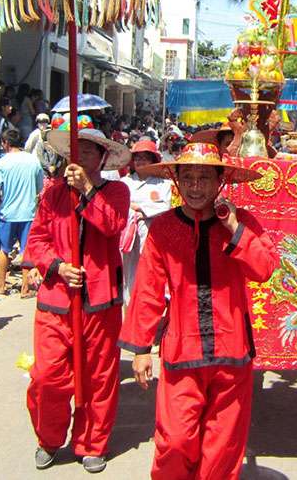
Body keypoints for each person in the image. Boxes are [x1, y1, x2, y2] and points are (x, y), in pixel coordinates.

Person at [119, 142, 277, 480]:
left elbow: (264, 269)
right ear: (176, 182)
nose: (195, 186)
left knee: (222, 450)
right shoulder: (163, 229)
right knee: (175, 443)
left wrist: (234, 228)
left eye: (204, 178)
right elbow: (148, 291)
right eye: (187, 177)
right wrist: (142, 350)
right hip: (181, 351)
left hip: (232, 353)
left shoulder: (242, 222)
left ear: (219, 181)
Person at [24, 128, 130, 474]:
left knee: (99, 378)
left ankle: (92, 442)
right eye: (75, 152)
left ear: (102, 158)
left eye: (88, 153)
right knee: (47, 377)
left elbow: (112, 225)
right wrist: (56, 266)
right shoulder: (53, 193)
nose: (80, 158)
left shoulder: (117, 191)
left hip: (101, 300)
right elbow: (37, 240)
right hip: (56, 301)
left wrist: (86, 190)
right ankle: (49, 437)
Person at [0, 128, 44, 298]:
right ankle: (26, 288)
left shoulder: (1, 163)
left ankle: (2, 285)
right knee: (27, 250)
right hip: (28, 212)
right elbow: (39, 186)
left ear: (5, 143)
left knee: (4, 249)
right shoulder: (33, 161)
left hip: (7, 213)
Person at [119, 140, 172, 299]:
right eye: (137, 158)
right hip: (129, 235)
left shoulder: (163, 183)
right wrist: (139, 210)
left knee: (151, 270)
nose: (140, 161)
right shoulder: (124, 183)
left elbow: (165, 206)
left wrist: (141, 209)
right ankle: (129, 307)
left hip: (153, 233)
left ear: (153, 160)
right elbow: (122, 206)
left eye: (145, 158)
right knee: (129, 273)